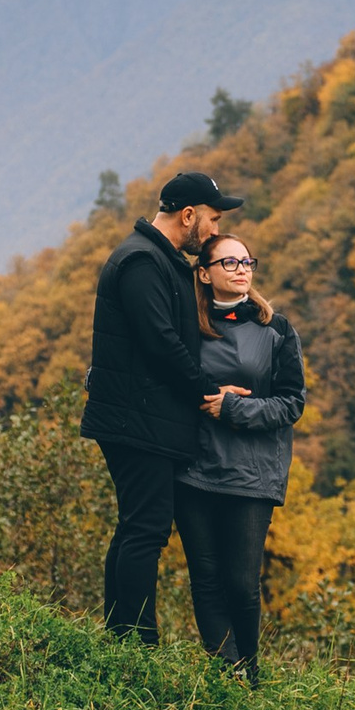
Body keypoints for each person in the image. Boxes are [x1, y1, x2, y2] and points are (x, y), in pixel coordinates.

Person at [80, 170, 240, 643]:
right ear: (188, 215)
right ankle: (136, 644)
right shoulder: (141, 261)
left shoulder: (158, 259)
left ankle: (122, 639)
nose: (214, 230)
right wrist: (209, 392)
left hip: (142, 416)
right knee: (146, 530)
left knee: (137, 527)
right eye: (212, 219)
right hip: (135, 420)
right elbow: (161, 343)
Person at [176, 232, 305, 683]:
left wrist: (232, 408)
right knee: (206, 579)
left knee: (242, 583)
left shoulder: (276, 329)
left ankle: (250, 672)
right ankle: (227, 674)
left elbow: (292, 403)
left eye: (247, 261)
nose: (242, 269)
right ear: (204, 274)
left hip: (252, 473)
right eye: (229, 263)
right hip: (193, 469)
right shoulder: (185, 326)